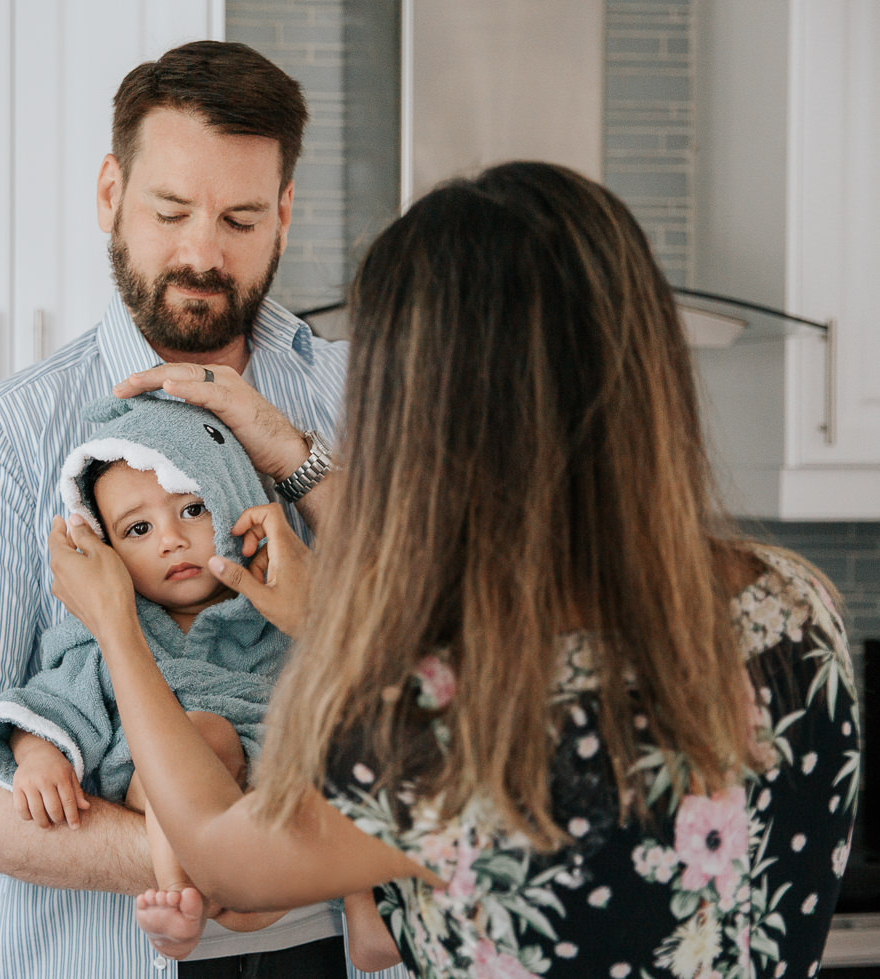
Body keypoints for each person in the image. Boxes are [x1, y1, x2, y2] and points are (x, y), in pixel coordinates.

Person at [50, 161, 860, 979]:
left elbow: (224, 858)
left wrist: (116, 625)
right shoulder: (798, 608)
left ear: (427, 414)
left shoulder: (447, 712)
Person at [0, 40, 378, 978]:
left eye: (240, 218)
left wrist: (296, 456)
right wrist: (200, 859)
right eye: (169, 211)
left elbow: (441, 641)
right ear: (110, 193)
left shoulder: (367, 397)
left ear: (283, 214)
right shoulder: (1, 441)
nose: (202, 253)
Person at [0, 396, 396, 968]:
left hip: (279, 793)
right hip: (169, 795)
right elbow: (45, 704)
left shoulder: (276, 609)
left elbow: (347, 692)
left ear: (234, 500)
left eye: (192, 509)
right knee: (200, 737)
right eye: (138, 528)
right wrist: (37, 756)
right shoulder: (103, 638)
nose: (170, 538)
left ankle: (366, 913)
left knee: (350, 757)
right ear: (109, 552)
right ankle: (181, 893)